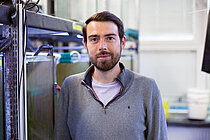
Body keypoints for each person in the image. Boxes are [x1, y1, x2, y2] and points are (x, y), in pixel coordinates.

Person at [54, 11, 168, 140]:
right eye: (94, 39)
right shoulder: (70, 87)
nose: (102, 47)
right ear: (86, 45)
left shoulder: (147, 88)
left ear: (122, 42)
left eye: (110, 38)